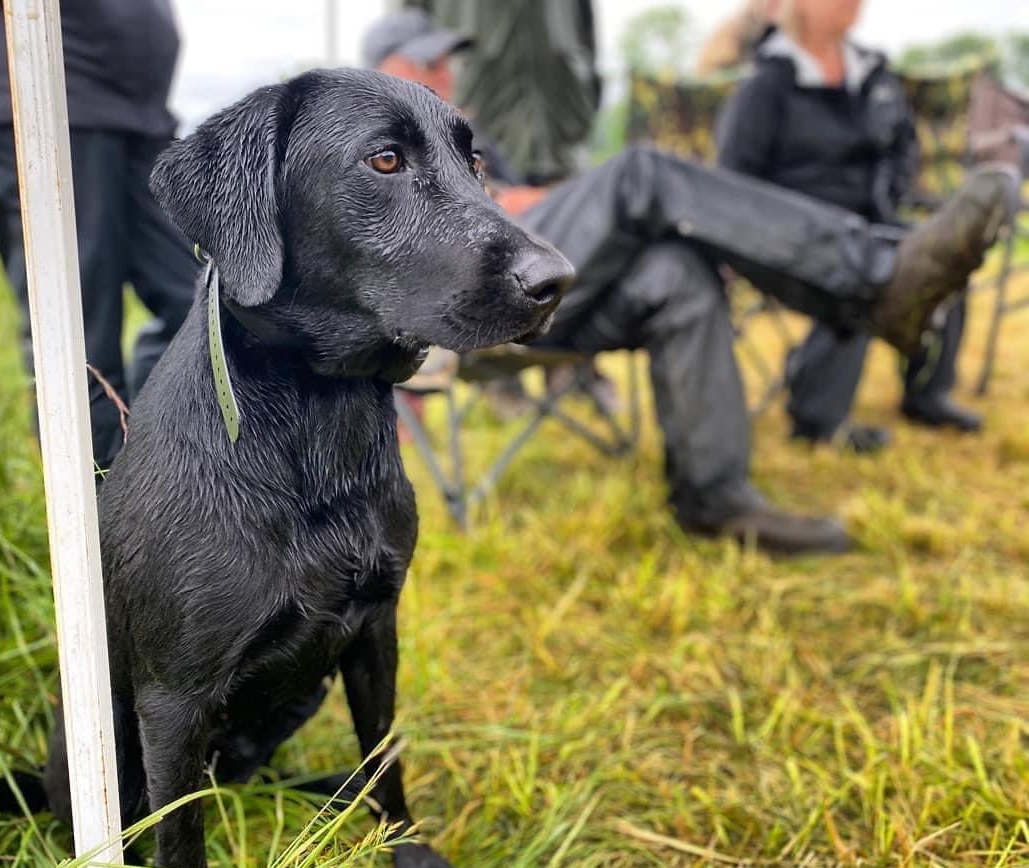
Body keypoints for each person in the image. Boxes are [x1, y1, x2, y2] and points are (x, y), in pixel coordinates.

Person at [364, 9, 1017, 555]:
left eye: (445, 59)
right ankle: (876, 277)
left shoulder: (463, 133)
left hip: (547, 296)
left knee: (677, 268)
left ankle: (716, 495)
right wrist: (504, 202)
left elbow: (523, 196)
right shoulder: (368, 157)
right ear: (379, 71)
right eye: (422, 63)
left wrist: (530, 193)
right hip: (463, 310)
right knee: (642, 172)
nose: (441, 73)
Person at [0, 0, 199, 474]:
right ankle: (102, 525)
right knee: (77, 339)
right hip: (35, 88)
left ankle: (170, 472)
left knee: (208, 298)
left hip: (131, 107)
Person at [717, 0, 983, 453]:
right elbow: (734, 180)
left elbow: (904, 145)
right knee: (860, 275)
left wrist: (894, 191)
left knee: (944, 256)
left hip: (873, 220)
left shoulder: (873, 73)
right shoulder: (766, 85)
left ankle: (928, 393)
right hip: (795, 237)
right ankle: (817, 419)